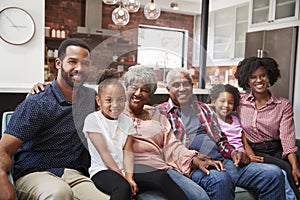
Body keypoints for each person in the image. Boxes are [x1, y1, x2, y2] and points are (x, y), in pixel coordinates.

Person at [0, 38, 109, 200]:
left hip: (73, 174)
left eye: (85, 63)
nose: (79, 68)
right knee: (59, 193)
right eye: (72, 61)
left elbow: (115, 107)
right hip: (35, 173)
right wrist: (3, 182)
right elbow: (4, 149)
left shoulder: (90, 97)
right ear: (58, 63)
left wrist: (146, 110)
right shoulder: (38, 101)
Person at [155, 67, 286, 200]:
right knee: (219, 179)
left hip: (221, 161)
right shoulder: (159, 113)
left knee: (273, 174)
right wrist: (193, 160)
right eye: (176, 85)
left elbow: (221, 141)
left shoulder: (205, 109)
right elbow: (162, 150)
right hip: (191, 167)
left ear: (192, 86)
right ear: (168, 89)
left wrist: (234, 153)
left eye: (186, 84)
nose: (182, 88)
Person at [122, 65, 233, 200]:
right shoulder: (115, 115)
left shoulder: (158, 117)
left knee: (200, 197)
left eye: (145, 90)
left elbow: (173, 147)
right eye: (134, 88)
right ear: (125, 89)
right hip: (134, 171)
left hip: (162, 170)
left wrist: (194, 160)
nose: (138, 93)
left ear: (150, 95)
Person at [210, 83, 296, 200]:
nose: (226, 105)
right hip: (231, 158)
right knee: (276, 173)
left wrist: (251, 156)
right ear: (214, 102)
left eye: (230, 103)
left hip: (246, 157)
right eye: (222, 101)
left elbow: (244, 143)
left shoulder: (235, 120)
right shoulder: (211, 120)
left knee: (282, 173)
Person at [235, 56, 300, 199]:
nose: (259, 80)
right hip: (253, 151)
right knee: (283, 172)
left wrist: (295, 166)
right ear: (247, 80)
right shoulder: (239, 101)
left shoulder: (283, 105)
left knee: (292, 172)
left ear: (269, 76)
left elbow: (287, 138)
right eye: (253, 77)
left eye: (262, 75)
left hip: (276, 151)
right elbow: (220, 107)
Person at [83, 69, 138, 200]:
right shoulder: (92, 120)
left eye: (120, 100)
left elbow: (128, 151)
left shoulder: (127, 121)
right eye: (108, 100)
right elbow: (105, 154)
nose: (115, 105)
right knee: (123, 187)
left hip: (124, 170)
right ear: (98, 101)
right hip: (102, 170)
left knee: (160, 177)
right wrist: (123, 177)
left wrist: (130, 176)